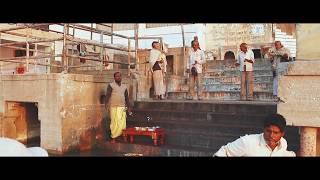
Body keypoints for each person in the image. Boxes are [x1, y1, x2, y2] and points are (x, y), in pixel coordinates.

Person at [214, 113, 296, 157]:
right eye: (268, 131)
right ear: (264, 129)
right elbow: (223, 152)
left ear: (282, 134)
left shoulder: (283, 143)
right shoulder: (247, 142)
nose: (271, 135)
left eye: (275, 133)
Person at [105, 71, 133, 143]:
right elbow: (108, 95)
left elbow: (127, 98)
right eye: (117, 76)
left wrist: (129, 107)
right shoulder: (111, 85)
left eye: (120, 76)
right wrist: (106, 104)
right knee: (114, 122)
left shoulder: (124, 87)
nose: (118, 77)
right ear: (114, 77)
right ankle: (114, 137)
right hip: (114, 106)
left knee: (122, 123)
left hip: (122, 107)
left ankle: (122, 136)